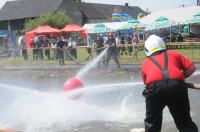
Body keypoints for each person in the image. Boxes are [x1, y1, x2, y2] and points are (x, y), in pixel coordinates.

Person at [141, 35, 198, 132]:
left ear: (147, 49)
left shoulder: (146, 62)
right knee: (185, 122)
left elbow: (147, 83)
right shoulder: (174, 54)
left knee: (152, 123)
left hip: (154, 89)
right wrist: (178, 79)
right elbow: (192, 68)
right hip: (177, 86)